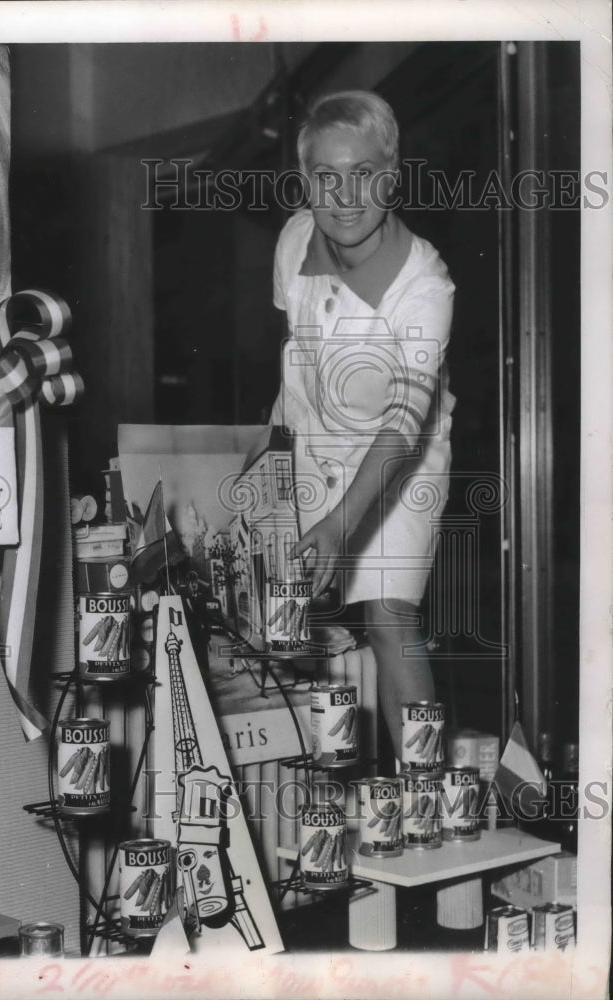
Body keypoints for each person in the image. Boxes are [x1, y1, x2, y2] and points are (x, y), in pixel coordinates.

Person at [270, 90, 456, 766]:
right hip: (320, 440)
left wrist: (345, 522)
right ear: (305, 181)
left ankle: (427, 786)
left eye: (365, 173)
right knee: (307, 617)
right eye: (326, 175)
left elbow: (404, 424)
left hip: (402, 453)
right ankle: (332, 789)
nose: (345, 195)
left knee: (388, 615)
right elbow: (295, 350)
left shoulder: (426, 286)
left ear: (393, 174)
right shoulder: (293, 240)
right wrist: (274, 446)